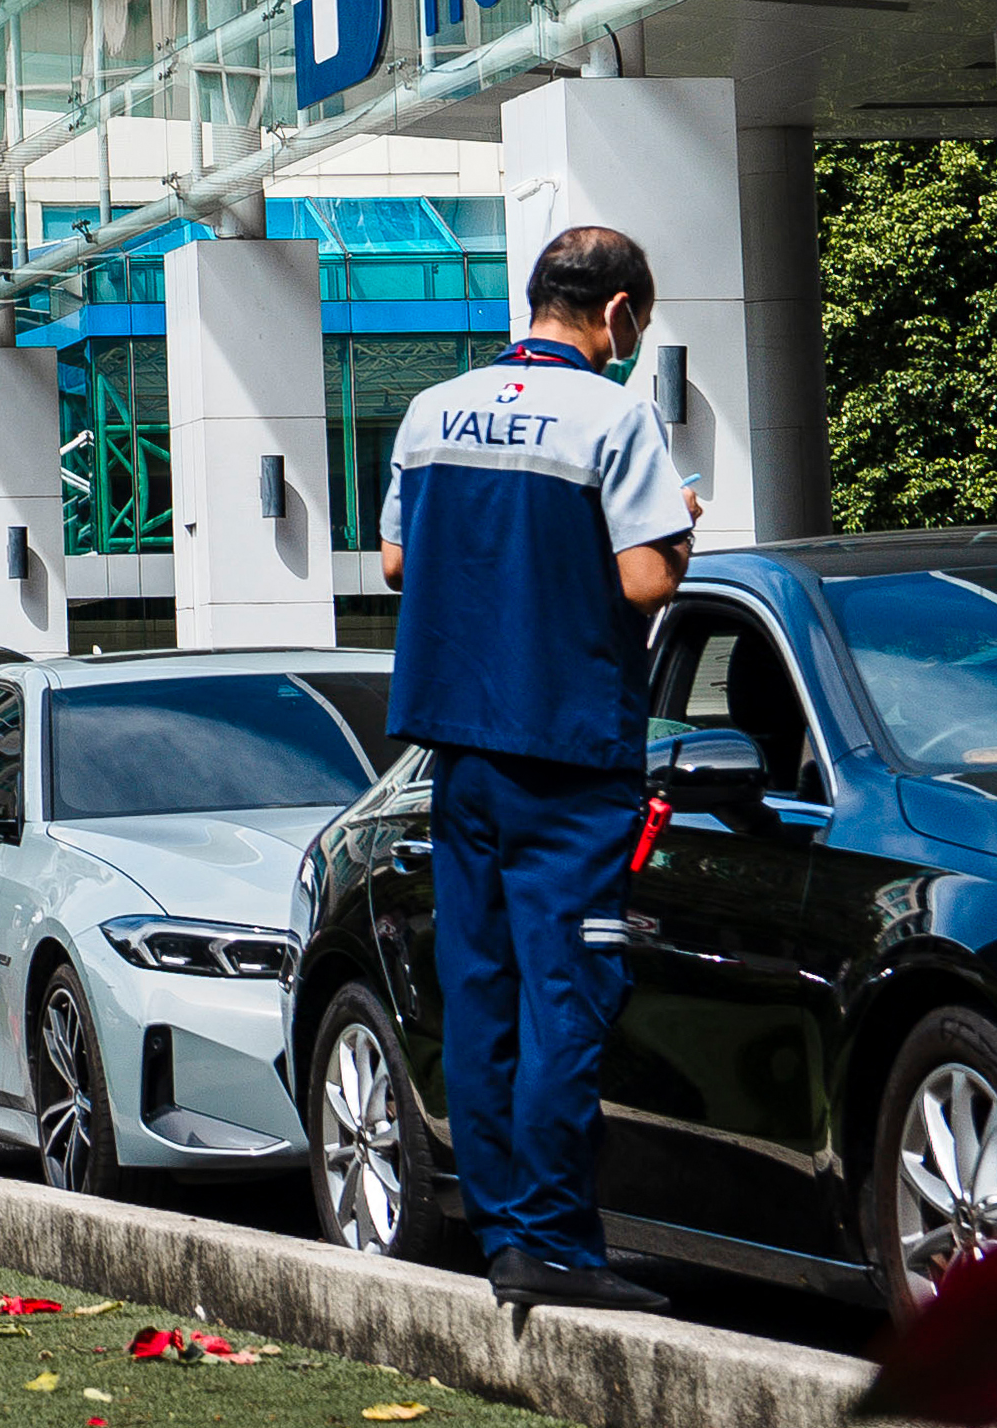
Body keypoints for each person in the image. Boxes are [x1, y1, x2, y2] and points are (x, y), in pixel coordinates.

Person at [378, 222, 700, 1313]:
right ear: (614, 312)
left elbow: (392, 559)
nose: (630, 344)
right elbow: (648, 579)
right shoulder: (614, 413)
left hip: (455, 750)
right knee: (567, 993)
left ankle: (505, 1232)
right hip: (566, 753)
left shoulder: (431, 412)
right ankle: (557, 1242)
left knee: (480, 997)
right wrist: (682, 522)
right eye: (635, 327)